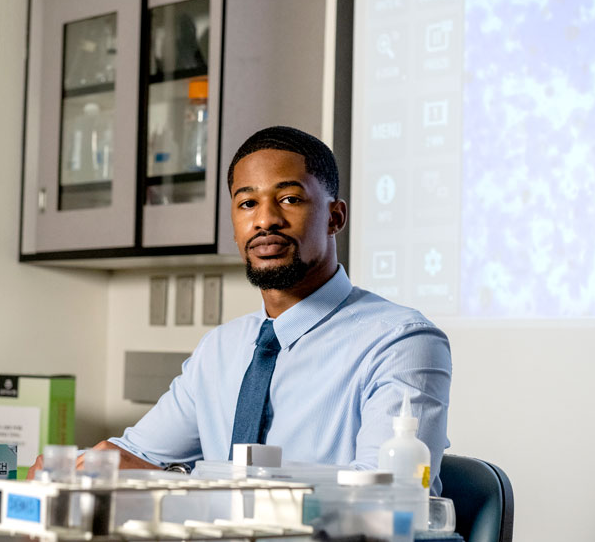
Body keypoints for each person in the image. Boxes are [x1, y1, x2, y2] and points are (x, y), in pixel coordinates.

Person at [28, 126, 452, 493]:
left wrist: (180, 485)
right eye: (247, 203)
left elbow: (389, 496)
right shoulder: (222, 348)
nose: (265, 220)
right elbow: (138, 454)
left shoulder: (401, 341)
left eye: (288, 199)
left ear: (335, 217)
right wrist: (69, 465)